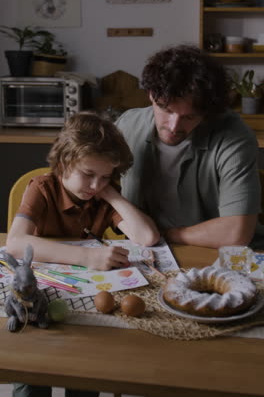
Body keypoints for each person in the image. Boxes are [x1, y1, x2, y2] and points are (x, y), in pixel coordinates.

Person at [7, 111, 160, 397]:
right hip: (39, 296)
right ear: (64, 163)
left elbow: (147, 237)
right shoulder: (42, 188)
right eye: (88, 174)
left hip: (83, 301)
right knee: (32, 377)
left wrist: (110, 193)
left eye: (105, 176)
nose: (95, 185)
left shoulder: (102, 194)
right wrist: (87, 258)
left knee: (85, 376)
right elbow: (15, 243)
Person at [116, 44, 264, 249]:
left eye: (189, 116)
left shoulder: (235, 138)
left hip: (220, 253)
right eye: (166, 110)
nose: (174, 126)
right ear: (151, 94)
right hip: (148, 250)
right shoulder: (126, 125)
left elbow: (235, 233)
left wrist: (165, 235)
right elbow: (85, 183)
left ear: (208, 111)